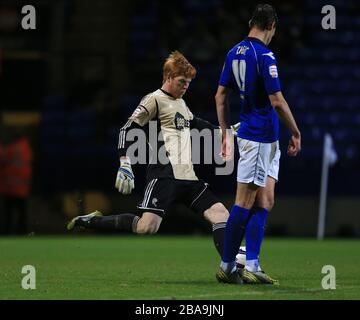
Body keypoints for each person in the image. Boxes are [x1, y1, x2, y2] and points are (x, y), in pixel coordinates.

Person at [66, 51, 256, 283]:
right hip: (164, 176)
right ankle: (92, 220)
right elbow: (127, 128)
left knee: (221, 215)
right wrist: (125, 161)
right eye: (181, 81)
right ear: (168, 76)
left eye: (188, 83)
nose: (186, 86)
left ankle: (228, 269)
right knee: (147, 228)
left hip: (189, 177)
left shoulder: (182, 103)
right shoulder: (153, 99)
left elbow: (196, 124)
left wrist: (226, 131)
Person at [215, 4, 301, 284]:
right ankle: (227, 265)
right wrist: (296, 132)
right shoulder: (265, 55)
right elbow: (277, 101)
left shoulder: (233, 52)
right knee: (244, 201)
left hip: (266, 139)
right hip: (259, 136)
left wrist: (226, 131)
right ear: (272, 26)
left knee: (265, 200)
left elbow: (220, 96)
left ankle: (251, 263)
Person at [0, 127, 33, 234]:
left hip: (11, 187)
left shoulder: (14, 148)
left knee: (9, 212)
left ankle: (8, 231)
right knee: (21, 212)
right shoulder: (26, 147)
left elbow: (2, 158)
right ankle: (22, 232)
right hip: (22, 186)